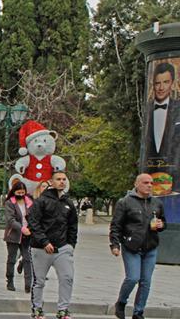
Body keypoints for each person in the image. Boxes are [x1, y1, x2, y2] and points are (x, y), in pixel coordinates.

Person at [110, 173, 167, 319]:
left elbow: (163, 222)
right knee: (133, 278)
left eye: (151, 183)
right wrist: (115, 244)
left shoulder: (157, 203)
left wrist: (161, 225)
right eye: (145, 182)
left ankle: (138, 312)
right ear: (137, 184)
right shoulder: (125, 202)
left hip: (151, 247)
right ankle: (121, 302)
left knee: (146, 281)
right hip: (131, 246)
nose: (149, 185)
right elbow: (116, 225)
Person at [27, 172, 78, 319]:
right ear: (51, 181)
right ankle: (37, 308)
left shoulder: (68, 203)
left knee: (67, 277)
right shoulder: (41, 201)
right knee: (39, 280)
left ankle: (63, 309)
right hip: (40, 247)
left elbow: (73, 225)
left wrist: (71, 245)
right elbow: (34, 223)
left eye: (64, 179)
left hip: (62, 247)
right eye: (58, 179)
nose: (62, 182)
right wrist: (44, 242)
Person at [143, 62, 180, 191]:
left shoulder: (179, 108)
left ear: (172, 83)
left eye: (165, 82)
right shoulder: (147, 110)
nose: (161, 87)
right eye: (157, 83)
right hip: (150, 179)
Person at [3, 181, 33, 293]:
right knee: (12, 259)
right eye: (18, 192)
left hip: (27, 235)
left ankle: (28, 284)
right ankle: (9, 281)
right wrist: (21, 228)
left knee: (27, 259)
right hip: (14, 235)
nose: (21, 194)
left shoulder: (30, 202)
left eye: (22, 192)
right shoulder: (9, 203)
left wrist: (30, 228)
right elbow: (10, 220)